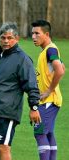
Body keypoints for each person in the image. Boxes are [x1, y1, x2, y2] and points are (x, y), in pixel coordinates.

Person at [0, 22, 41, 160]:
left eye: (9, 38)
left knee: (3, 147)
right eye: (3, 37)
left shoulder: (23, 59)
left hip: (6, 113)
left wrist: (34, 107)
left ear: (17, 39)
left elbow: (32, 86)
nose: (6, 41)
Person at [31, 20, 65, 160]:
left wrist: (49, 90)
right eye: (32, 33)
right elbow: (62, 68)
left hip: (48, 101)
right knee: (48, 133)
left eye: (37, 34)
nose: (33, 37)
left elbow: (60, 70)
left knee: (39, 132)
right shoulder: (49, 50)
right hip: (51, 100)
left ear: (46, 34)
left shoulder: (50, 49)